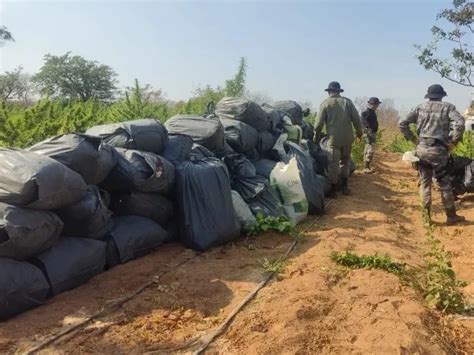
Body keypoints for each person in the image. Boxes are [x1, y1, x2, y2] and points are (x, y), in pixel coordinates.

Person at [398, 84, 466, 226]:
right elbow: (459, 123)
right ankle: (451, 216)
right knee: (445, 184)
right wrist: (453, 141)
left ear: (428, 96)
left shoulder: (419, 107)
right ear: (441, 96)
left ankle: (425, 219)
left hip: (422, 149)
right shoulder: (448, 107)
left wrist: (414, 139)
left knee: (425, 184)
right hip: (439, 150)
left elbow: (402, 123)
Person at [314, 81, 363, 196]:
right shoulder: (348, 102)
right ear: (339, 91)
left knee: (333, 164)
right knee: (345, 162)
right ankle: (345, 187)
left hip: (333, 140)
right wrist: (359, 133)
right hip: (347, 139)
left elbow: (317, 125)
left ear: (329, 92)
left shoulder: (325, 104)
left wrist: (316, 137)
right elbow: (356, 120)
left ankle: (334, 190)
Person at [361, 97, 381, 173]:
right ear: (372, 104)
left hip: (372, 133)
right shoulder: (366, 112)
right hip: (369, 134)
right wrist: (368, 130)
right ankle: (366, 167)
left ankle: (367, 166)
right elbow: (363, 122)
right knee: (369, 149)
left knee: (371, 149)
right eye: (376, 104)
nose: (377, 106)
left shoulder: (372, 112)